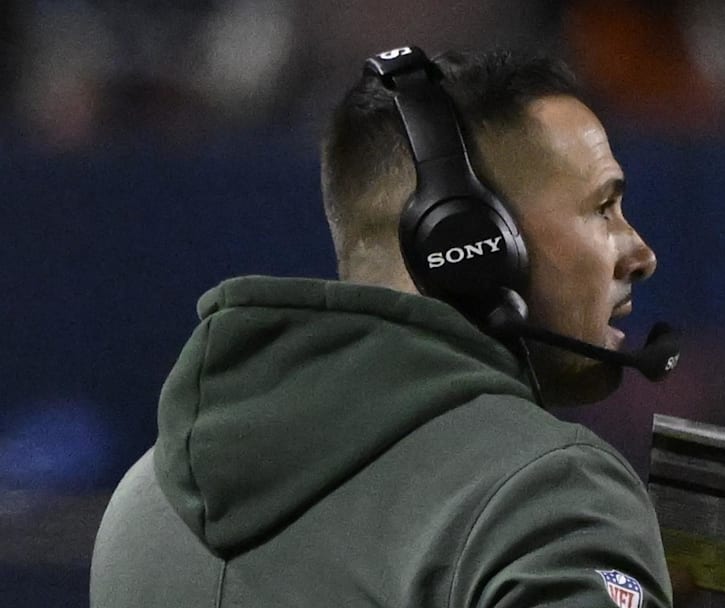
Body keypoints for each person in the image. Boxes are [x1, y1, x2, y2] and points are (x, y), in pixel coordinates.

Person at [90, 46, 673, 607]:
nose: (641, 253)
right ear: (472, 242)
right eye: (603, 208)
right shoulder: (547, 492)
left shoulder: (142, 503)